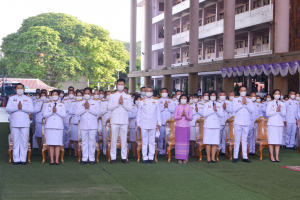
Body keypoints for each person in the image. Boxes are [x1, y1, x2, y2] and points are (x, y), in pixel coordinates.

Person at [6, 83, 34, 165]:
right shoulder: (11, 98)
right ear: (15, 90)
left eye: (21, 88)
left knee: (24, 141)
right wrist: (17, 108)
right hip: (14, 123)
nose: (19, 89)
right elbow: (8, 109)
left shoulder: (28, 99)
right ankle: (16, 159)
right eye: (18, 88)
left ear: (24, 89)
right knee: (15, 141)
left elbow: (31, 110)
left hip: (25, 123)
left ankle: (23, 159)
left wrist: (22, 108)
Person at [108, 79, 132, 164]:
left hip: (124, 121)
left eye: (122, 84)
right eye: (119, 84)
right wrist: (118, 103)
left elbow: (130, 108)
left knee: (124, 140)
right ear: (117, 85)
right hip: (114, 120)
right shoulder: (112, 96)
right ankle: (113, 158)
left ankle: (124, 157)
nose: (121, 86)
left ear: (124, 85)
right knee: (113, 140)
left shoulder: (128, 96)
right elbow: (109, 108)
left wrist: (123, 103)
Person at [75, 87, 101, 165]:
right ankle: (84, 158)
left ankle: (92, 158)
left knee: (92, 142)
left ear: (91, 94)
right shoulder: (79, 102)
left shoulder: (95, 102)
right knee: (84, 142)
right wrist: (84, 108)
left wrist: (89, 108)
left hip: (92, 125)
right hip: (83, 125)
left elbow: (98, 113)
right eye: (85, 93)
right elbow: (77, 113)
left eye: (88, 93)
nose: (87, 95)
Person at [137, 86, 161, 164]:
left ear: (152, 92)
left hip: (153, 123)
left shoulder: (156, 100)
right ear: (145, 92)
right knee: (144, 141)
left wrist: (159, 123)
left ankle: (151, 157)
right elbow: (139, 113)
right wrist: (138, 124)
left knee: (151, 141)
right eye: (147, 91)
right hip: (144, 123)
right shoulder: (141, 101)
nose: (148, 92)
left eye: (150, 91)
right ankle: (144, 157)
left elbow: (158, 113)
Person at [43, 90, 66, 165]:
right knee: (51, 144)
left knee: (57, 144)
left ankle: (57, 160)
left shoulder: (62, 104)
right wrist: (51, 112)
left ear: (59, 96)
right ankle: (52, 160)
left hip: (58, 126)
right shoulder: (47, 104)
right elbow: (45, 114)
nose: (54, 95)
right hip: (50, 126)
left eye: (56, 94)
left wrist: (56, 111)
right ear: (51, 96)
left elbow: (64, 115)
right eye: (53, 94)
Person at [232, 85, 254, 163]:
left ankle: (245, 157)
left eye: (244, 90)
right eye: (242, 90)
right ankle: (235, 157)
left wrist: (246, 103)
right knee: (237, 140)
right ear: (239, 91)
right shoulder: (235, 99)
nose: (243, 92)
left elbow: (252, 110)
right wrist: (241, 103)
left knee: (245, 140)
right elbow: (234, 109)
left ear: (246, 91)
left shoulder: (249, 100)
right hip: (238, 122)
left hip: (246, 122)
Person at [203, 91, 223, 163]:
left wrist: (216, 110)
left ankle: (213, 157)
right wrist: (212, 110)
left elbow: (221, 115)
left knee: (215, 142)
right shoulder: (206, 104)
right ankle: (208, 157)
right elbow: (204, 114)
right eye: (211, 95)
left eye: (214, 95)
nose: (213, 96)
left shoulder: (219, 104)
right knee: (208, 142)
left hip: (216, 125)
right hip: (208, 125)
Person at [266, 89, 286, 162]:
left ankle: (277, 156)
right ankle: (271, 156)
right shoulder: (270, 103)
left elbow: (284, 114)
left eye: (279, 93)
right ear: (273, 95)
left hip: (279, 123)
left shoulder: (282, 103)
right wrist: (276, 111)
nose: (277, 95)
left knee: (278, 141)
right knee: (271, 141)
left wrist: (280, 111)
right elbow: (268, 114)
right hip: (272, 124)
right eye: (276, 93)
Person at [173, 94, 193, 164]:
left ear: (187, 99)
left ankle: (184, 158)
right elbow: (175, 117)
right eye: (182, 98)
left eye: (185, 98)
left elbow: (191, 118)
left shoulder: (189, 107)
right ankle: (179, 158)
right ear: (180, 99)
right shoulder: (177, 107)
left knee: (185, 142)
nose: (183, 99)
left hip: (186, 126)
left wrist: (186, 115)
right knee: (179, 142)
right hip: (179, 126)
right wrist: (181, 115)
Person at [158, 88, 174, 156]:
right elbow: (157, 111)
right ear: (161, 93)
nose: (164, 93)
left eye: (165, 91)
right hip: (161, 122)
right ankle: (160, 150)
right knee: (160, 138)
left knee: (168, 138)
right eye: (163, 92)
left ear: (167, 93)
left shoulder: (171, 101)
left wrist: (167, 107)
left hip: (169, 123)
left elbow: (173, 110)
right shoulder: (158, 101)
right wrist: (163, 107)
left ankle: (167, 150)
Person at [218, 91, 232, 156]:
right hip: (219, 122)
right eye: (221, 95)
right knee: (218, 137)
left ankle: (223, 151)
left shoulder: (229, 102)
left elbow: (231, 111)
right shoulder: (216, 103)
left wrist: (225, 108)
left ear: (226, 95)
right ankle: (217, 150)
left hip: (226, 122)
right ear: (219, 96)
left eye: (223, 95)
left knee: (225, 137)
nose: (222, 96)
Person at [68, 91, 82, 157]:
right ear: (75, 96)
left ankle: (81, 152)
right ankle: (76, 152)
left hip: (82, 121)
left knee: (82, 138)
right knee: (74, 138)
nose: (78, 97)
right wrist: (76, 112)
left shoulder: (84, 102)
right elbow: (70, 112)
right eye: (77, 95)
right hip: (74, 121)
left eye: (80, 95)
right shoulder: (73, 103)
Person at [100, 91, 112, 156]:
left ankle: (111, 151)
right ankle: (105, 151)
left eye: (110, 95)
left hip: (113, 122)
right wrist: (107, 109)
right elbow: (100, 112)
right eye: (108, 94)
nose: (109, 96)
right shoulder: (103, 103)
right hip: (105, 122)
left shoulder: (114, 103)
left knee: (112, 138)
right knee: (105, 138)